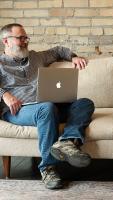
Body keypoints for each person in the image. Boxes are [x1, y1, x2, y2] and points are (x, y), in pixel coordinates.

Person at [0, 23, 95, 189]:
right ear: (6, 41)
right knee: (47, 108)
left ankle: (66, 142)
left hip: (47, 105)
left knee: (85, 103)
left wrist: (73, 57)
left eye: (25, 37)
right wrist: (4, 95)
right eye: (19, 38)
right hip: (18, 110)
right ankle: (47, 168)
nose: (24, 41)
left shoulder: (36, 57)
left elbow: (58, 50)